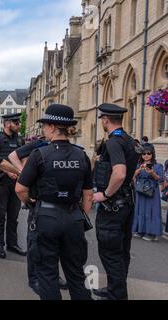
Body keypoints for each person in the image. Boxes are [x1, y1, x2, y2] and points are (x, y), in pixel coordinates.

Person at [16, 104, 93, 300]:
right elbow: (88, 195)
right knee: (76, 274)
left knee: (47, 274)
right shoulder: (82, 155)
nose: (43, 130)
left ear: (51, 126)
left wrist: (32, 204)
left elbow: (20, 189)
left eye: (44, 126)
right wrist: (80, 214)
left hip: (46, 218)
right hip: (74, 217)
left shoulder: (39, 154)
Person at [92, 103, 139, 300]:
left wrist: (105, 194)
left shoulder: (113, 142)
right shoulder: (129, 140)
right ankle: (115, 289)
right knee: (121, 251)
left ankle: (117, 295)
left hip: (113, 206)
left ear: (105, 120)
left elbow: (119, 174)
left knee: (110, 252)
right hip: (126, 203)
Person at [0, 113, 26, 259]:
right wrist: (7, 171)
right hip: (1, 183)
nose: (19, 125)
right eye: (16, 122)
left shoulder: (20, 139)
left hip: (16, 183)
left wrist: (20, 172)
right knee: (0, 215)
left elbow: (25, 157)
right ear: (7, 123)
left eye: (18, 122)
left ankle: (12, 244)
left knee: (14, 215)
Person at [132, 145, 164, 241]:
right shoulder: (138, 165)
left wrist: (151, 172)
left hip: (152, 191)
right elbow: (132, 177)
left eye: (148, 153)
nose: (146, 156)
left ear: (152, 154)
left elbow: (160, 179)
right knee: (140, 209)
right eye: (144, 154)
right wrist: (139, 170)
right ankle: (140, 230)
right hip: (140, 190)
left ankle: (151, 233)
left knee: (151, 211)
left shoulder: (158, 166)